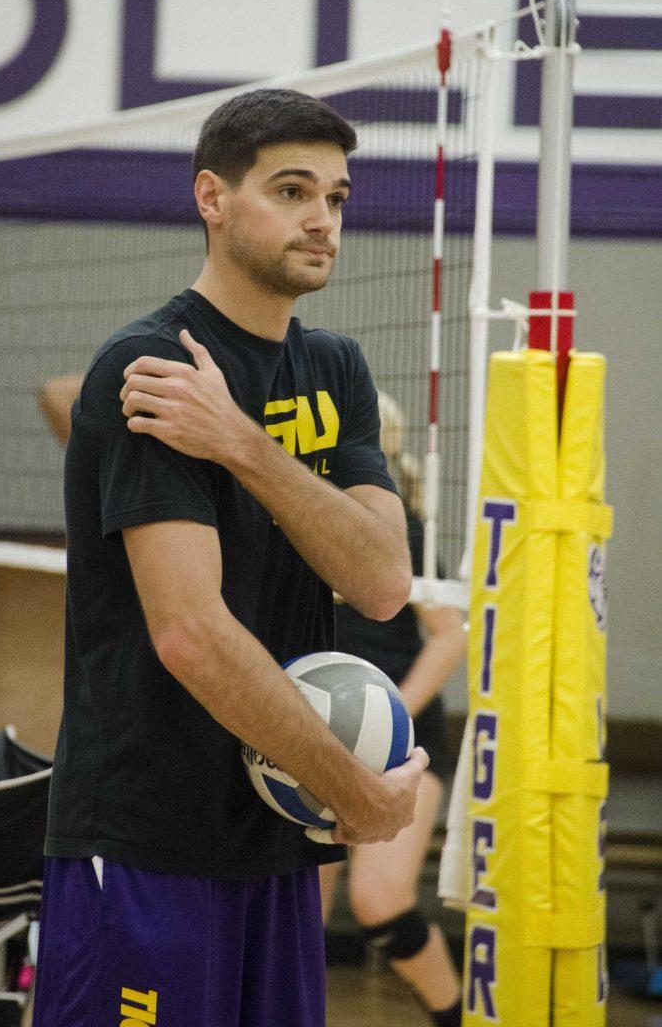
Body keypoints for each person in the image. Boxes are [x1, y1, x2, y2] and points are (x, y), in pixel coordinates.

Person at [32, 88, 429, 1027]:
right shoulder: (152, 368)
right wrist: (354, 794)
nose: (321, 220)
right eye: (291, 191)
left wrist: (245, 446)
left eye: (335, 197)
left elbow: (379, 583)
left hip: (275, 843)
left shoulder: (334, 368)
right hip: (149, 844)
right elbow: (189, 636)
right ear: (211, 197)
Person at [320, 392, 466, 1027]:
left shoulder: (400, 528)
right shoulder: (297, 525)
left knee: (380, 900)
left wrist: (388, 718)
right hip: (313, 737)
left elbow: (451, 636)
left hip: (399, 740)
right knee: (300, 911)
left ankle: (455, 1016)